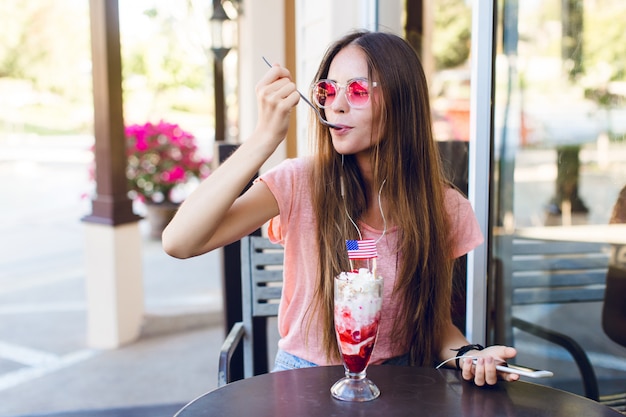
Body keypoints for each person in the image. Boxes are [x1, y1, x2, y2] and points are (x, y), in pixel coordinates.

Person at [162, 30, 518, 386]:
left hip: (400, 384)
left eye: (358, 90)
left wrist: (469, 354)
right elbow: (180, 241)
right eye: (328, 90)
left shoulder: (443, 207)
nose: (336, 104)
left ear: (402, 101)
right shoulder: (300, 183)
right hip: (303, 382)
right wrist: (264, 138)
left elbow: (436, 324)